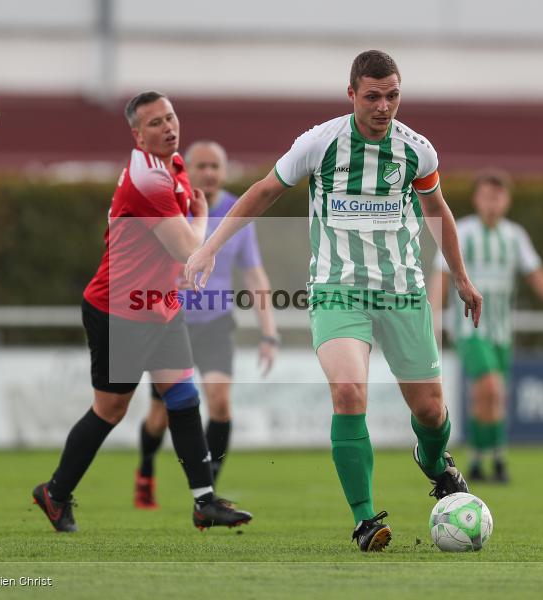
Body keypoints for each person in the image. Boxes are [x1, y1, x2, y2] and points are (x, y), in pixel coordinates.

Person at [185, 50, 482, 552]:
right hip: (336, 291)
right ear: (352, 95)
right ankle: (366, 520)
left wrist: (461, 277)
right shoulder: (320, 143)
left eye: (392, 95)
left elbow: (438, 212)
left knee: (431, 412)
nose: (384, 106)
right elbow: (262, 192)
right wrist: (209, 247)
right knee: (348, 393)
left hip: (403, 292)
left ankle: (433, 462)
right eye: (373, 96)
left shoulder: (417, 151)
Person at [31, 92, 252, 533]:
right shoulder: (147, 179)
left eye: (170, 117)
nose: (168, 127)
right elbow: (191, 253)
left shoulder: (173, 168)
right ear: (137, 134)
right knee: (110, 410)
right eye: (155, 123)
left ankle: (204, 501)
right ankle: (54, 494)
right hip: (119, 309)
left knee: (184, 398)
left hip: (158, 306)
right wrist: (205, 214)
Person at [135, 141, 278, 509]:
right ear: (187, 170)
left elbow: (254, 273)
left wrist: (269, 332)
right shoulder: (172, 209)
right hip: (172, 323)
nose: (209, 173)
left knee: (220, 402)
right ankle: (146, 467)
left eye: (216, 166)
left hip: (216, 323)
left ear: (224, 172)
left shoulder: (238, 212)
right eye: (202, 166)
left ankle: (207, 491)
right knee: (158, 418)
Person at [428, 169, 543, 482]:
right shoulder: (461, 231)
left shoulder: (515, 236)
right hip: (469, 328)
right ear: (476, 199)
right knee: (489, 385)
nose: (492, 202)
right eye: (487, 195)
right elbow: (440, 276)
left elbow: (537, 276)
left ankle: (490, 459)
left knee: (494, 395)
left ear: (507, 201)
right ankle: (483, 459)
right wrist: (432, 321)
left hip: (501, 329)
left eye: (498, 196)